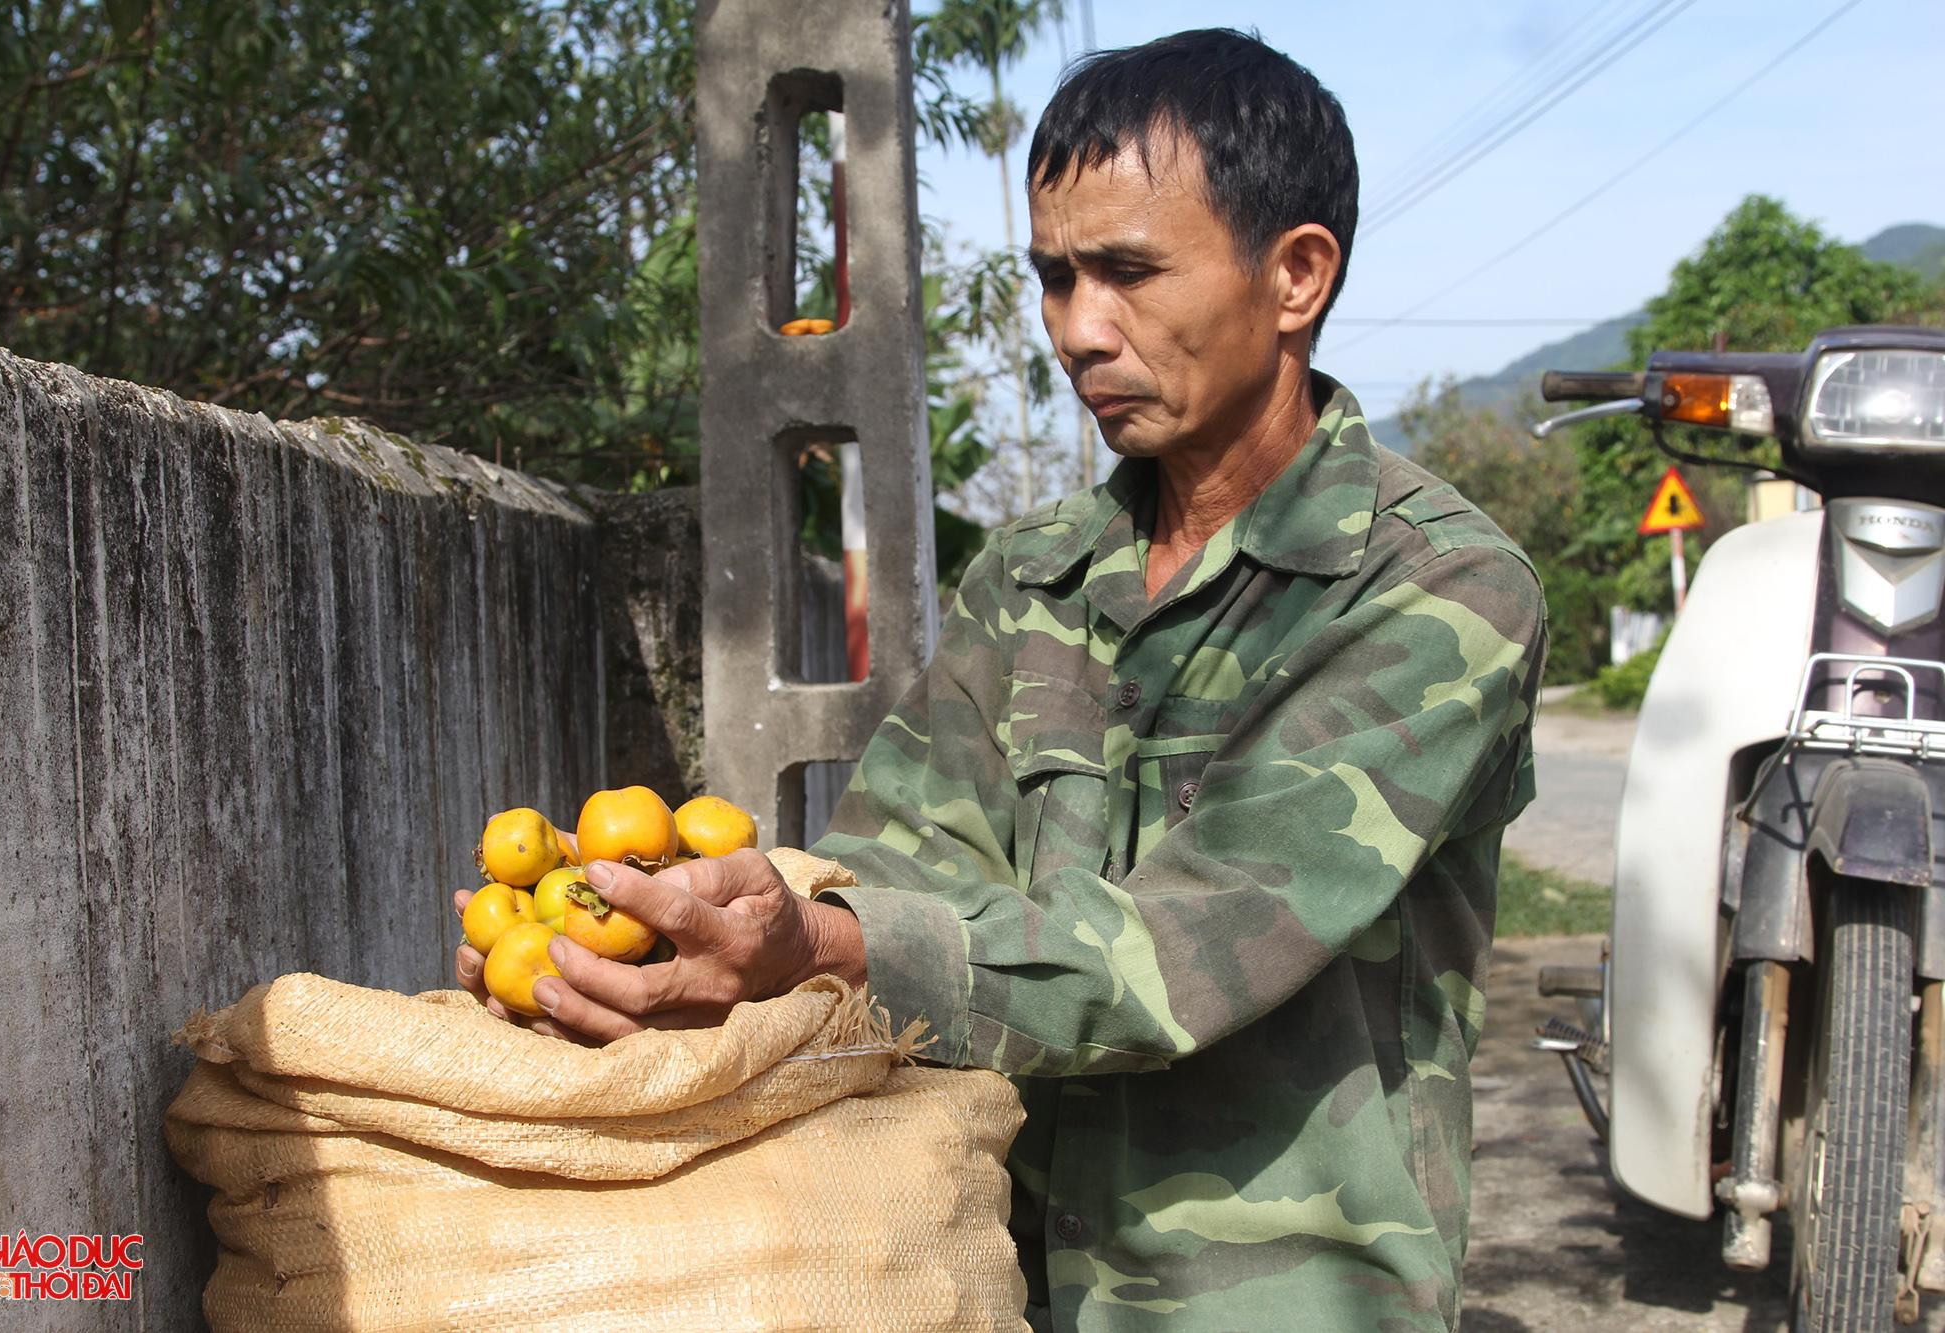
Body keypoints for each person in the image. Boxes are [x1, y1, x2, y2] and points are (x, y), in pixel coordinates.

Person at [456, 28, 1546, 1331]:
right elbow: (894, 876)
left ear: (1296, 274)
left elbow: (1193, 939)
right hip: (997, 1281)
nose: (1079, 330)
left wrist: (825, 942)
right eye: (1054, 277)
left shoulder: (1434, 592)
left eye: (1131, 273)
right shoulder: (1027, 581)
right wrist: (645, 943)